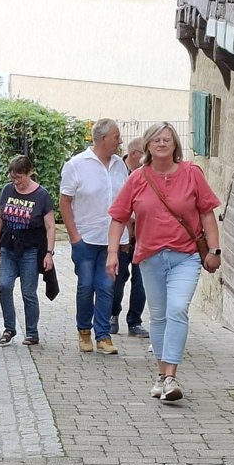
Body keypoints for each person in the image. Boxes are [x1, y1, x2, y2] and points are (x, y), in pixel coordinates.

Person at [107, 122, 222, 403]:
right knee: (158, 316)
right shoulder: (137, 178)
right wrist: (112, 254)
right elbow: (119, 217)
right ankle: (161, 375)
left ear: (175, 145)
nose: (161, 144)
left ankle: (171, 376)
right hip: (150, 257)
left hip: (186, 256)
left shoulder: (192, 173)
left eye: (167, 140)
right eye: (156, 140)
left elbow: (207, 213)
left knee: (177, 309)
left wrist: (214, 250)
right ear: (147, 145)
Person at [58, 119, 129, 355]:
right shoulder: (76, 165)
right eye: (117, 137)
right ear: (103, 139)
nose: (120, 141)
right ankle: (84, 331)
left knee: (107, 287)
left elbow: (125, 202)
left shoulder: (119, 165)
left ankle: (103, 336)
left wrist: (126, 236)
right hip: (86, 239)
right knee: (86, 286)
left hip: (112, 240)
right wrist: (74, 237)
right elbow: (65, 201)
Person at [0, 155, 55, 347]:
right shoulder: (7, 190)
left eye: (19, 177)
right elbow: (0, 218)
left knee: (28, 292)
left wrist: (49, 253)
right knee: (4, 285)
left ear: (29, 173)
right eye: (13, 177)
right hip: (8, 246)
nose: (16, 182)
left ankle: (32, 332)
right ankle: (9, 328)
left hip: (30, 249)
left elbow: (50, 226)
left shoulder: (41, 195)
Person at [111, 137, 148, 339]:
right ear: (134, 154)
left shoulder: (149, 173)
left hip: (143, 235)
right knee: (118, 278)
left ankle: (135, 321)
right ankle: (113, 314)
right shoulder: (116, 171)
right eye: (146, 154)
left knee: (141, 281)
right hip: (123, 236)